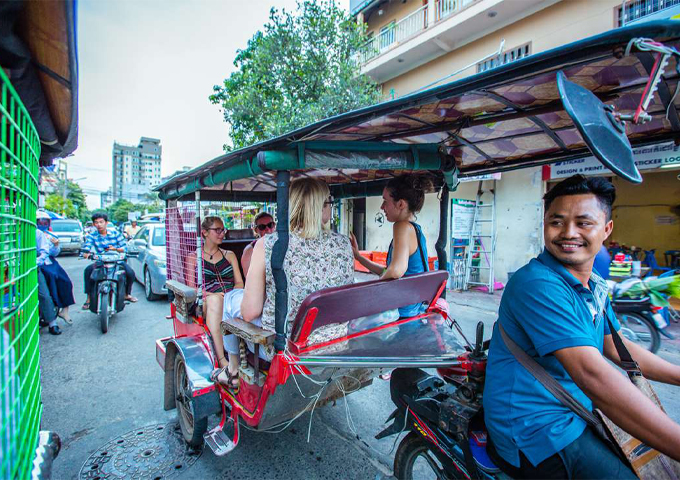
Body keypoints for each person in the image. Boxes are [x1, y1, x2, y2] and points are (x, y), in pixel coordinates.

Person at [483, 174, 680, 479]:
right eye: (556, 222)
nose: (568, 233)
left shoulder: (593, 284)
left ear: (607, 229)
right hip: (536, 425)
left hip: (575, 409)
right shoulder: (537, 284)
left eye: (583, 222)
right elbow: (592, 375)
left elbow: (615, 346)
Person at [218, 177, 354, 387]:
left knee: (228, 300)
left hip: (286, 346)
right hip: (334, 339)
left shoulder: (268, 244)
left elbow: (249, 313)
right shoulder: (344, 243)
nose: (331, 206)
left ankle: (233, 368)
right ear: (320, 207)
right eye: (329, 202)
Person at [351, 174, 431, 317]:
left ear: (400, 204)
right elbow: (388, 271)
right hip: (412, 311)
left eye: (385, 201)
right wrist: (358, 257)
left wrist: (371, 294)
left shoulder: (401, 226)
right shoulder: (416, 230)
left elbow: (395, 271)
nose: (382, 207)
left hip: (400, 314)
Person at [185, 216, 244, 387]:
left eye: (223, 230)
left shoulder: (230, 255)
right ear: (204, 233)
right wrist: (213, 295)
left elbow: (239, 282)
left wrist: (230, 294)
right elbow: (193, 287)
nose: (222, 233)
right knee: (215, 302)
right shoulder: (193, 257)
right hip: (206, 301)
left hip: (229, 297)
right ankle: (222, 359)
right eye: (217, 230)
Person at [82, 212, 137, 310]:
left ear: (106, 223)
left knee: (130, 273)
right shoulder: (92, 236)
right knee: (88, 271)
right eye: (96, 222)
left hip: (117, 261)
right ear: (94, 224)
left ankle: (126, 294)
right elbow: (86, 247)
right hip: (101, 261)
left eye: (101, 222)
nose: (99, 224)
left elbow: (125, 247)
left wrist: (115, 249)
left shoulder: (115, 233)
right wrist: (86, 253)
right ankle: (89, 298)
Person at [36, 211, 75, 324]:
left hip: (50, 262)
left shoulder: (51, 235)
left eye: (46, 221)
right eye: (40, 221)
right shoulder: (33, 234)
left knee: (65, 281)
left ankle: (65, 310)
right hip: (39, 264)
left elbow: (54, 253)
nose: (43, 223)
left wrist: (56, 245)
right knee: (50, 284)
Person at [36, 228, 61, 335]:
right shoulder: (7, 231)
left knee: (44, 295)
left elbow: (45, 251)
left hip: (33, 267)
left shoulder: (37, 233)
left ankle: (52, 323)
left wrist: (34, 262)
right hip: (10, 269)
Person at [241, 211, 276, 277]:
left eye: (270, 225)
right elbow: (249, 278)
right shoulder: (250, 250)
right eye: (262, 227)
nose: (267, 229)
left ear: (274, 226)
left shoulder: (283, 244)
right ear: (256, 230)